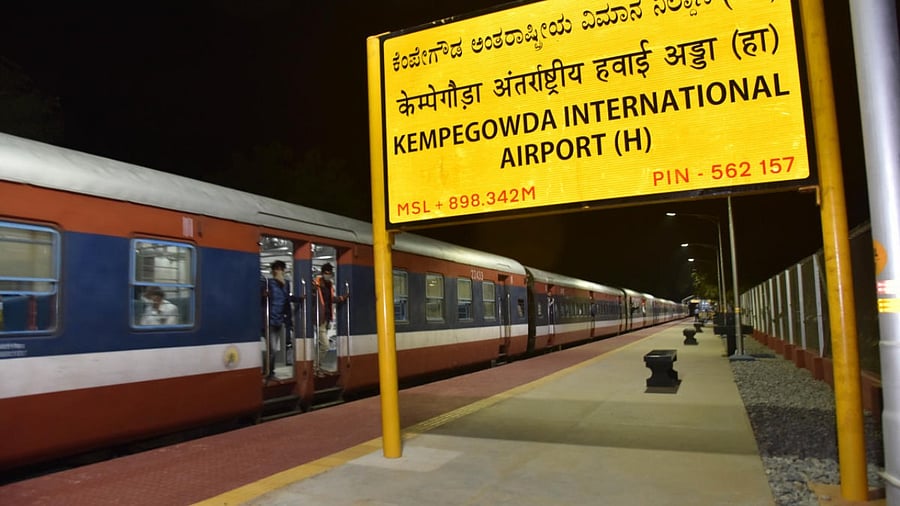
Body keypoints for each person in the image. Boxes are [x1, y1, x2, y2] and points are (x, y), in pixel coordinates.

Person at [312, 263, 348, 376]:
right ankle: (314, 367)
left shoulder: (329, 285)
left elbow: (331, 299)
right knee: (325, 345)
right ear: (322, 273)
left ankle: (317, 366)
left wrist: (342, 298)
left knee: (320, 344)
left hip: (327, 317)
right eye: (326, 273)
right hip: (319, 318)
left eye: (330, 273)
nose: (328, 275)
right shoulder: (316, 284)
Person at [266, 260, 296, 379]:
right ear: (273, 271)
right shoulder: (268, 283)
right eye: (277, 269)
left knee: (274, 348)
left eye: (281, 269)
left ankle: (269, 370)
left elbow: (287, 299)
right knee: (272, 348)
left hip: (280, 320)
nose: (279, 271)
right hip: (269, 320)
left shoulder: (286, 284)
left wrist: (300, 299)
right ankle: (269, 372)